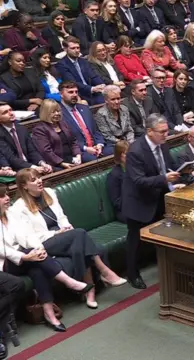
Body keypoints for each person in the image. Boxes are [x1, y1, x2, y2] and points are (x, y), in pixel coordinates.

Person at [12, 168, 127, 309]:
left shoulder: (49, 193)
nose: (39, 181)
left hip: (64, 237)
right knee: (79, 235)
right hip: (43, 243)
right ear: (24, 186)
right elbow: (28, 238)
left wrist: (66, 228)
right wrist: (56, 234)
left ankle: (89, 290)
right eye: (33, 180)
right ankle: (104, 272)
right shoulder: (18, 208)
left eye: (39, 177)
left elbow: (62, 217)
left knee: (79, 241)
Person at [0, 184, 91, 333]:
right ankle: (70, 282)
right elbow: (3, 251)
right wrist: (25, 256)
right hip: (6, 264)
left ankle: (49, 313)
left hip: (27, 256)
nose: (7, 198)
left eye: (7, 194)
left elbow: (27, 235)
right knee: (34, 261)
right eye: (2, 196)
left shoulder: (10, 214)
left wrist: (38, 248)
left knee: (37, 269)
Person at [122, 114, 184, 289]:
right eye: (162, 132)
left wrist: (177, 177)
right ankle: (132, 274)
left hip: (159, 196)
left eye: (166, 131)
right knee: (135, 241)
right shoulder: (135, 151)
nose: (166, 135)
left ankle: (169, 266)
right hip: (139, 202)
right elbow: (139, 181)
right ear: (149, 131)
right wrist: (165, 179)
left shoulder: (162, 145)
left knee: (166, 231)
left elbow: (166, 167)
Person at [59, 81, 113, 162]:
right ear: (61, 94)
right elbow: (65, 140)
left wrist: (99, 144)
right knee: (93, 159)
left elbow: (96, 131)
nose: (74, 95)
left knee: (115, 150)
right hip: (79, 151)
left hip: (96, 146)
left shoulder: (84, 108)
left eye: (76, 92)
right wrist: (85, 148)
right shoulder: (59, 114)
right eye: (70, 92)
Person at [31, 99, 81, 170]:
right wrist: (62, 163)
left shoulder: (63, 124)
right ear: (45, 113)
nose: (57, 113)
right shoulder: (39, 129)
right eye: (53, 112)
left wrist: (78, 155)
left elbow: (73, 141)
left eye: (58, 111)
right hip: (55, 163)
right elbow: (46, 151)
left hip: (72, 157)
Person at [0, 104, 50, 173]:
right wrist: (33, 167)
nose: (11, 113)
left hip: (30, 166)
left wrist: (42, 163)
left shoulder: (21, 129)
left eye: (11, 110)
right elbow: (11, 158)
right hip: (15, 170)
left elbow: (32, 151)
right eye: (5, 112)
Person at [56, 36, 106, 105]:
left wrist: (102, 85)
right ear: (65, 49)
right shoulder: (62, 64)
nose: (77, 50)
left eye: (78, 48)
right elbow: (72, 82)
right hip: (78, 93)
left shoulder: (83, 61)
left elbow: (93, 76)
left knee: (109, 96)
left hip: (92, 91)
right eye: (73, 48)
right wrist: (92, 89)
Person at [107, 140, 128, 223]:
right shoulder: (114, 175)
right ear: (122, 156)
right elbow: (117, 202)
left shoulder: (134, 168)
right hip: (124, 212)